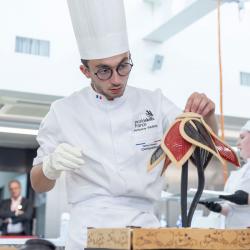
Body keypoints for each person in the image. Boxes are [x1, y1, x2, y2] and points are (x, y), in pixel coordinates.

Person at [30, 0, 217, 249]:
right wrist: (51, 167)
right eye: (104, 71)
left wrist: (208, 116)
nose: (117, 79)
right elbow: (38, 183)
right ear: (85, 71)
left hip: (145, 229)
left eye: (123, 66)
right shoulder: (63, 111)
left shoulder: (155, 102)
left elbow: (201, 155)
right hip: (88, 231)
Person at [199, 120, 250, 228]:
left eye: (242, 137)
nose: (237, 144)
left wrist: (247, 199)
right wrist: (220, 209)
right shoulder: (240, 173)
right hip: (235, 237)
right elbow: (236, 211)